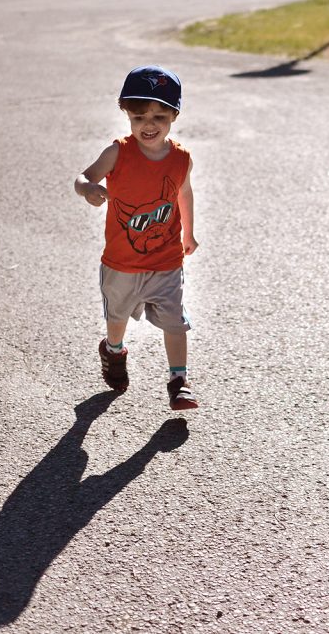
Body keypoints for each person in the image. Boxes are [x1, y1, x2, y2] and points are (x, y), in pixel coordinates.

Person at [74, 65, 199, 409]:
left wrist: (188, 232)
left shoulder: (181, 159)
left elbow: (183, 195)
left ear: (174, 115)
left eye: (160, 115)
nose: (149, 124)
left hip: (166, 261)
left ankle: (179, 380)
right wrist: (89, 190)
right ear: (126, 113)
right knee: (117, 318)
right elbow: (82, 177)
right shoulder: (118, 152)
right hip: (122, 263)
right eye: (140, 115)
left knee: (175, 320)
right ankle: (114, 350)